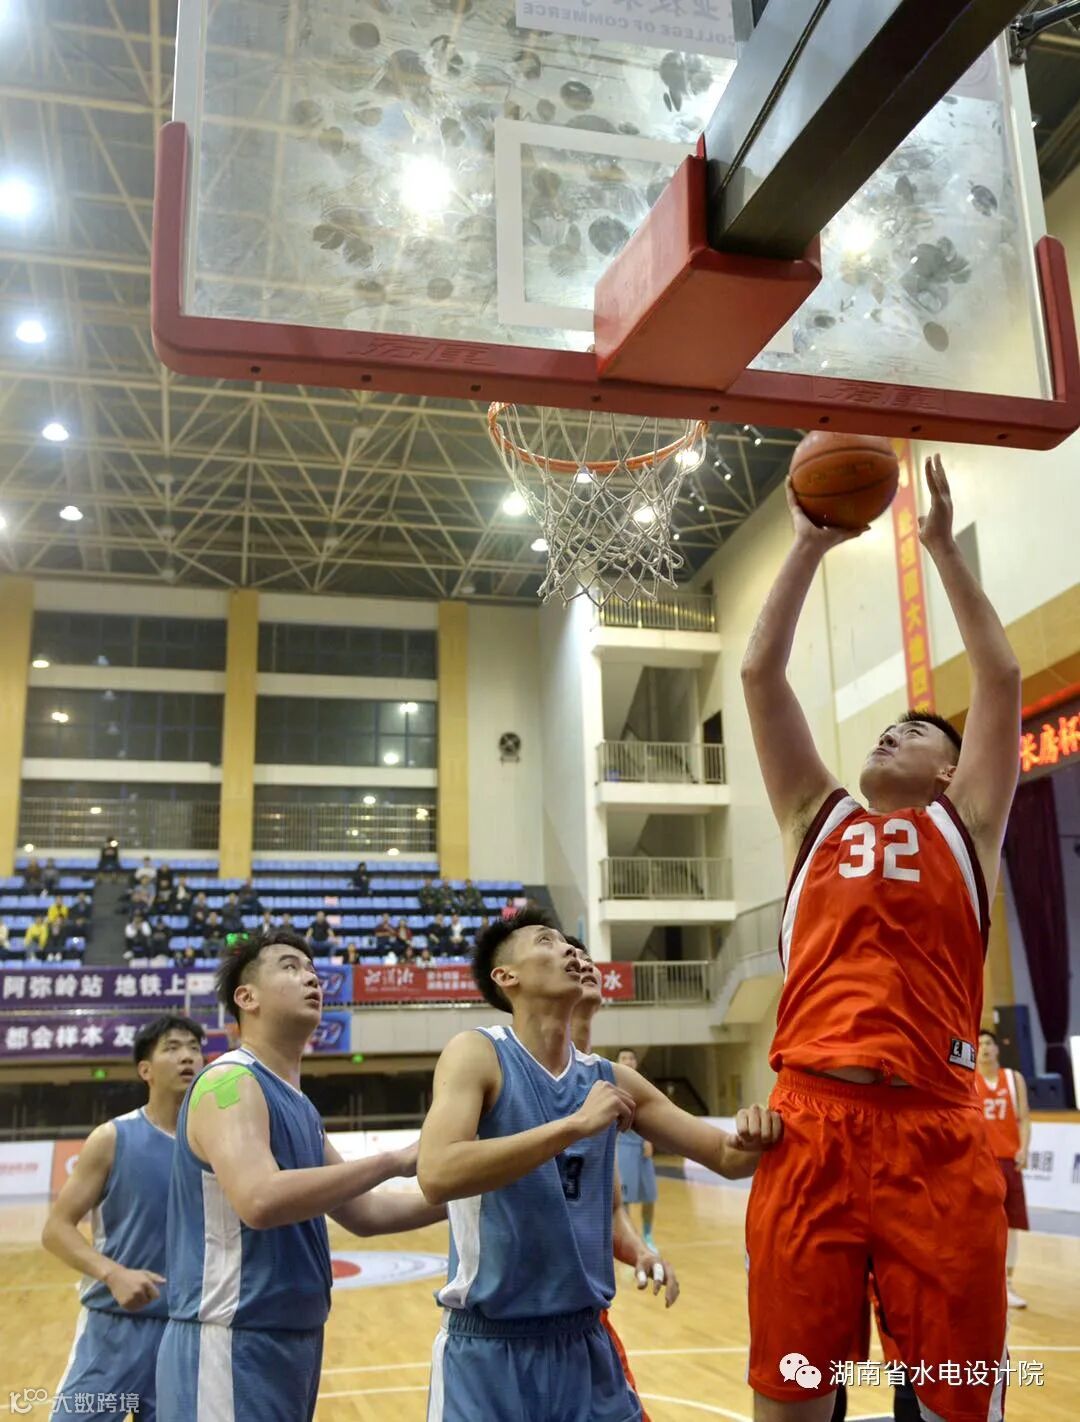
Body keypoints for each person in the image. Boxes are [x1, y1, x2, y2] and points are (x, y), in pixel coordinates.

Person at [739, 455, 1020, 1421]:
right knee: (793, 1397)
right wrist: (806, 547)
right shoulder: (813, 818)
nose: (892, 733)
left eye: (917, 731)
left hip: (934, 1136)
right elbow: (760, 674)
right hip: (810, 1128)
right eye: (887, 726)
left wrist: (941, 548)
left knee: (953, 1401)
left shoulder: (967, 826)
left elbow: (1000, 675)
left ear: (951, 772)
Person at [418, 909, 780, 1422]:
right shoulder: (477, 1053)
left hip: (585, 1343)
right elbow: (436, 1174)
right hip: (490, 1352)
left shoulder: (610, 1079)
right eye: (547, 941)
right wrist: (574, 1126)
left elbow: (727, 1157)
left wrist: (760, 1129)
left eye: (569, 943)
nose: (569, 949)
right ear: (506, 976)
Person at [155, 928, 444, 1421]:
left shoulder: (300, 1106)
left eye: (312, 970)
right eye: (290, 967)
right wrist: (394, 1160)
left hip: (291, 1340)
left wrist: (469, 1193)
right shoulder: (230, 1081)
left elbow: (366, 1213)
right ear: (246, 998)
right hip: (229, 1341)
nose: (311, 977)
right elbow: (260, 1199)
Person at [43, 1014, 206, 1422]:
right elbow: (56, 1229)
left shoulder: (216, 1148)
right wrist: (113, 1274)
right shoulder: (113, 1138)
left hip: (184, 1333)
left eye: (194, 1048)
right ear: (145, 1070)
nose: (188, 1057)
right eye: (172, 1048)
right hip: (113, 1331)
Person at [568, 938, 680, 1422]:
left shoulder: (608, 1080)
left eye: (585, 956)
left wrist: (640, 1252)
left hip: (587, 1322)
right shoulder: (494, 1069)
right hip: (511, 1332)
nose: (581, 962)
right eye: (564, 952)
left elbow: (609, 1208)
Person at [975, 1027, 1031, 1308]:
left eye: (989, 1043)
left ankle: (1007, 1285)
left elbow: (1024, 1118)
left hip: (1008, 1159)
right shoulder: (968, 1080)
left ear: (997, 1048)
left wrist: (1024, 1148)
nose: (985, 1048)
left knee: (1012, 1225)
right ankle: (983, 1282)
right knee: (980, 1225)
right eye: (980, 1044)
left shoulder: (1013, 1078)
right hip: (980, 1162)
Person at [614, 1048, 659, 1251]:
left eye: (631, 1058)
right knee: (625, 1199)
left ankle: (648, 1236)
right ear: (617, 1061)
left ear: (636, 1062)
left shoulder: (645, 1086)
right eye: (624, 1058)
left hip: (643, 1148)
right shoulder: (612, 1085)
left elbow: (654, 1115)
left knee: (650, 1196)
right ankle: (631, 1239)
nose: (628, 1061)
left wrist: (650, 1139)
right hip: (622, 1146)